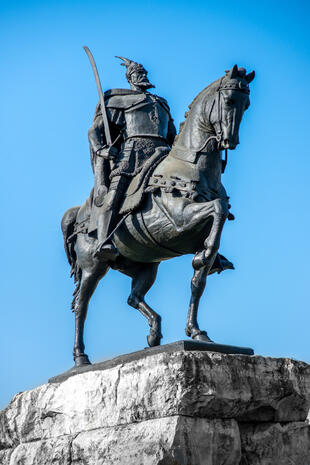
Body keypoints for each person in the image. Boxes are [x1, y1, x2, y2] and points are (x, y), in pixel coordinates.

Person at [88, 56, 176, 260]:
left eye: (144, 73)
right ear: (130, 78)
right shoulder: (119, 100)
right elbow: (94, 131)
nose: (143, 76)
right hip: (133, 153)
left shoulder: (161, 103)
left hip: (163, 152)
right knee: (115, 194)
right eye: (138, 74)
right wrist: (101, 149)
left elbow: (171, 134)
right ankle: (103, 240)